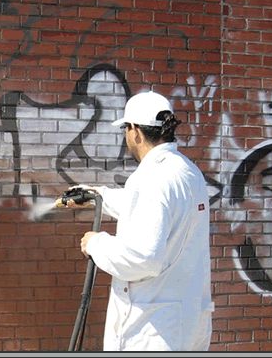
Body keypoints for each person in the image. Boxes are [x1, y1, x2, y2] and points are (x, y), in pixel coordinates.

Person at [65, 91, 213, 351]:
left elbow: (143, 258)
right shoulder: (187, 171)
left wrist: (96, 244)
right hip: (188, 324)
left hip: (153, 332)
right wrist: (95, 195)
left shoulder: (151, 178)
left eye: (125, 129)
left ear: (135, 131)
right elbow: (153, 212)